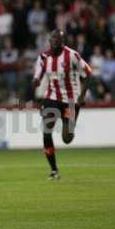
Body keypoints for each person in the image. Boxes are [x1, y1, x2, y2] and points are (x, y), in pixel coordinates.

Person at [33, 29, 92, 179]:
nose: (54, 42)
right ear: (49, 41)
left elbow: (88, 73)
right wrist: (36, 81)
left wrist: (82, 95)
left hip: (71, 101)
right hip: (51, 97)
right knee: (46, 131)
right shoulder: (43, 57)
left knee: (67, 138)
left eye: (58, 40)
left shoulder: (72, 55)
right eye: (52, 39)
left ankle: (70, 128)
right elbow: (37, 76)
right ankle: (54, 171)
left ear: (63, 42)